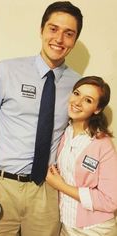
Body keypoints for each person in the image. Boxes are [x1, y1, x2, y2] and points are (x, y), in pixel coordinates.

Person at [0, 1, 83, 236]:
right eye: (53, 29)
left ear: (74, 41)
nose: (59, 39)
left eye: (69, 33)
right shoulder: (6, 71)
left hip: (46, 189)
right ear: (42, 30)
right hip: (4, 185)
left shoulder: (78, 86)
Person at [46, 76, 117, 236]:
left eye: (88, 100)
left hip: (95, 229)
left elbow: (111, 201)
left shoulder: (102, 144)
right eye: (76, 94)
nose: (77, 102)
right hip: (65, 225)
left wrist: (61, 186)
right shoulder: (64, 133)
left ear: (97, 109)